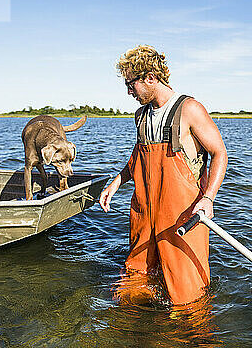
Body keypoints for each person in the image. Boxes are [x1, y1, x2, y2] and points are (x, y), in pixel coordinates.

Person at [99, 45, 228, 306]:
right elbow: (138, 156)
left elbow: (219, 153)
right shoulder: (141, 116)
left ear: (149, 78)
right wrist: (116, 183)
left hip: (181, 217)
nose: (129, 92)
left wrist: (209, 198)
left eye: (130, 84)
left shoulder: (190, 108)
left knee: (187, 296)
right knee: (133, 287)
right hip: (145, 214)